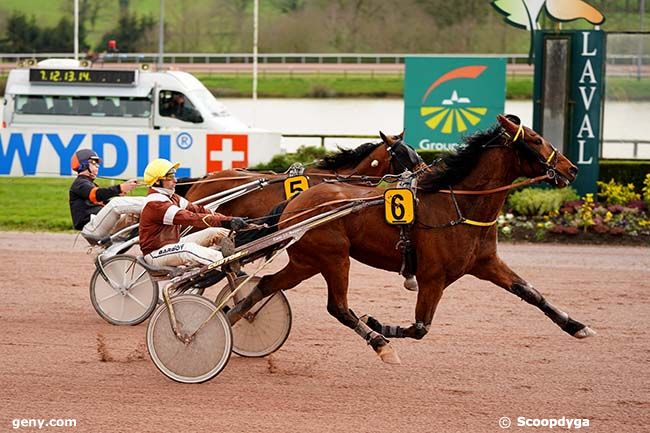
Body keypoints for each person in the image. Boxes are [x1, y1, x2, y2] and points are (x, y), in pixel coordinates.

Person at [139, 158, 248, 268]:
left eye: (174, 176)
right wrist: (225, 221)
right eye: (170, 177)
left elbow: (199, 210)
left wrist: (229, 219)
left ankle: (222, 258)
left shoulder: (173, 197)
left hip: (173, 245)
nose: (175, 180)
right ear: (157, 181)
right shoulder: (155, 204)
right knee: (188, 248)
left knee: (217, 232)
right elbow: (191, 218)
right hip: (155, 255)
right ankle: (227, 263)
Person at [69, 149, 144, 244]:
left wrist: (119, 192)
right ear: (84, 164)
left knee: (133, 213)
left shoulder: (89, 184)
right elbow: (97, 195)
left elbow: (102, 201)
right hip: (91, 227)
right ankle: (150, 202)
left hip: (98, 224)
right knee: (115, 203)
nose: (98, 166)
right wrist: (120, 188)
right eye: (94, 163)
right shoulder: (80, 183)